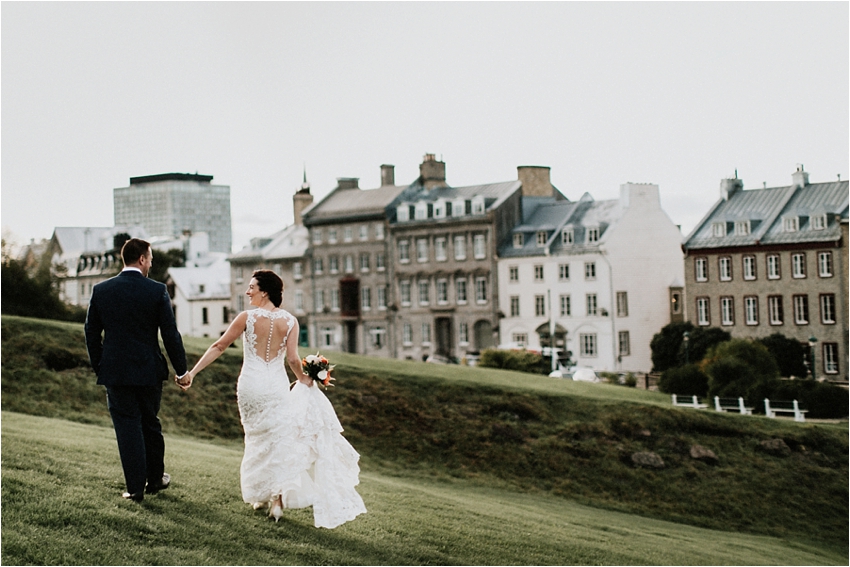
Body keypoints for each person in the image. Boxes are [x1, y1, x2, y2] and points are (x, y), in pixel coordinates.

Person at [177, 269, 366, 528]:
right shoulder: (290, 321)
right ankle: (276, 499)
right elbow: (291, 359)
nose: (247, 292)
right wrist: (304, 379)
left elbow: (219, 346)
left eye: (252, 287)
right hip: (276, 386)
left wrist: (193, 372)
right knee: (278, 440)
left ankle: (263, 497)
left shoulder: (246, 317)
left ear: (264, 291)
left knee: (256, 438)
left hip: (250, 386)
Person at [84, 238, 188, 502]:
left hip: (116, 372)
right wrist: (182, 369)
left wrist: (101, 365)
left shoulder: (101, 290)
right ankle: (155, 479)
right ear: (142, 259)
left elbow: (91, 333)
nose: (151, 263)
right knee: (150, 424)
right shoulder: (157, 290)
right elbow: (170, 334)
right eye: (150, 258)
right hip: (148, 370)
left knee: (127, 427)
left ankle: (134, 488)